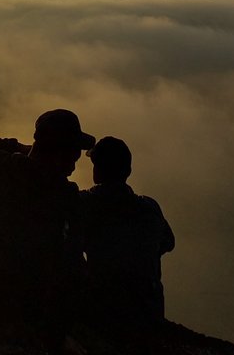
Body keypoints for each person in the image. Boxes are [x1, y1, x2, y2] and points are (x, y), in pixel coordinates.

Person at [0, 108, 94, 341]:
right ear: (57, 153)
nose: (73, 165)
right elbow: (73, 260)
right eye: (72, 155)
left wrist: (17, 146)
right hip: (33, 299)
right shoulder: (65, 195)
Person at [80, 136, 174, 338]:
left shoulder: (84, 204)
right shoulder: (149, 208)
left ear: (96, 172)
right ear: (128, 171)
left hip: (103, 313)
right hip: (149, 314)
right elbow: (167, 243)